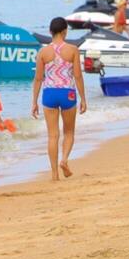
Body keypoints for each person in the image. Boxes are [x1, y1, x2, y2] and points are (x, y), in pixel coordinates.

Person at [32, 17, 87, 182]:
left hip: (49, 93)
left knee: (52, 136)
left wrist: (34, 102)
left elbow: (38, 79)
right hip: (67, 93)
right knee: (69, 132)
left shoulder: (43, 52)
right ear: (65, 32)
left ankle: (54, 174)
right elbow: (77, 75)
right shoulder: (72, 50)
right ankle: (64, 160)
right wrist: (83, 98)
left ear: (50, 32)